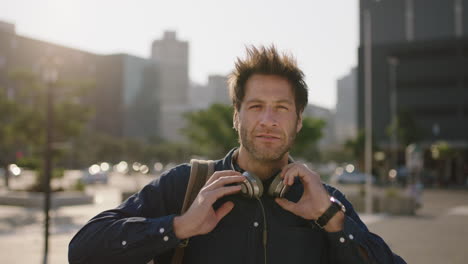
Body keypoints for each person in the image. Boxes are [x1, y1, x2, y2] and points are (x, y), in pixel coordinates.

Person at [69, 46, 406, 264]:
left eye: (282, 108)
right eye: (256, 106)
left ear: (299, 120)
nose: (268, 120)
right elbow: (83, 250)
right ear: (236, 115)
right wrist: (179, 226)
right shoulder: (186, 186)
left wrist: (333, 221)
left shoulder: (325, 202)